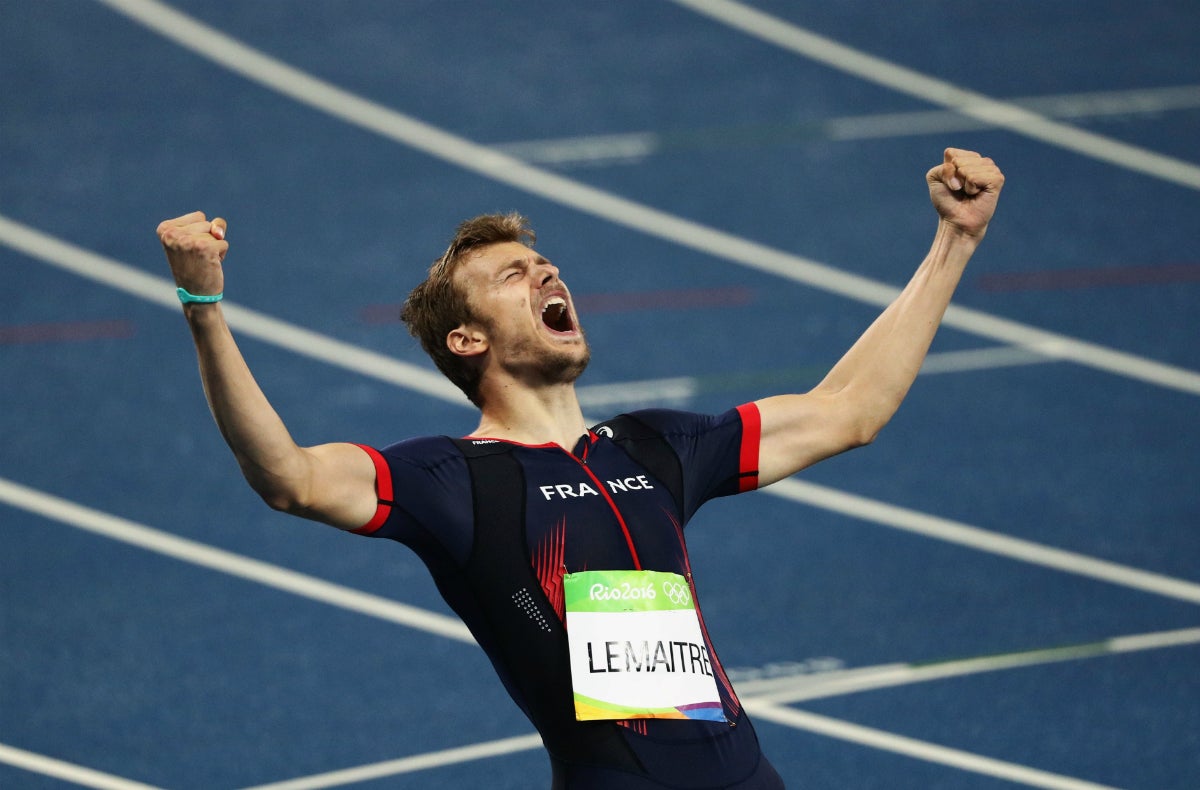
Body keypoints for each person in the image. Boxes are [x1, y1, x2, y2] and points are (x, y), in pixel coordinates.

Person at [157, 147, 1004, 789]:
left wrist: (953, 243)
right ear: (467, 341)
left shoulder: (652, 448)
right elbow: (288, 476)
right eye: (514, 276)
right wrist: (204, 306)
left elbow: (848, 409)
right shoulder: (452, 481)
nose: (548, 274)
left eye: (547, 266)